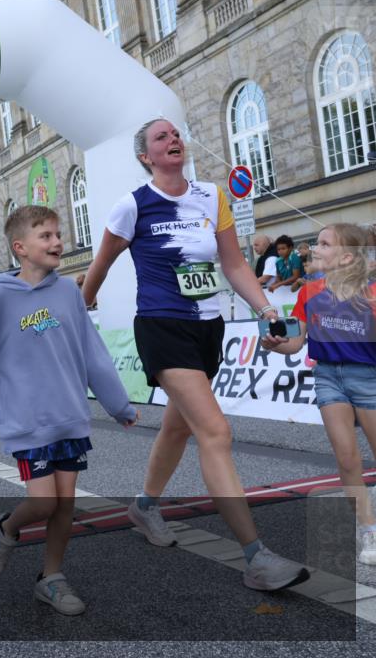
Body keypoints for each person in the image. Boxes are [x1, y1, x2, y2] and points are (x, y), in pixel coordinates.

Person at [82, 118, 309, 592]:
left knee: (178, 425)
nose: (173, 140)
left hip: (208, 328)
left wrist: (267, 310)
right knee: (215, 430)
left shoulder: (210, 195)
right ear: (145, 155)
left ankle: (143, 507)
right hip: (162, 327)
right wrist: (74, 315)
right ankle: (256, 557)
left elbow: (233, 264)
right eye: (161, 138)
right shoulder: (133, 206)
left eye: (176, 135)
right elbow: (98, 268)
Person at [0, 206, 137, 615]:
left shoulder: (67, 294)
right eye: (46, 236)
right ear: (20, 248)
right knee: (42, 504)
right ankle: (7, 529)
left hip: (69, 416)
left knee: (65, 505)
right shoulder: (0, 297)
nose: (57, 242)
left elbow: (91, 352)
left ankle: (51, 577)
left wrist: (118, 404)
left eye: (58, 234)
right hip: (28, 423)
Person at [263, 223, 376, 564]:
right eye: (316, 242)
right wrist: (276, 344)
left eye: (324, 244)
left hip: (368, 378)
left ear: (345, 257)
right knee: (347, 459)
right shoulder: (308, 292)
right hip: (327, 376)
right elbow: (297, 342)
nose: (314, 248)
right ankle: (369, 531)